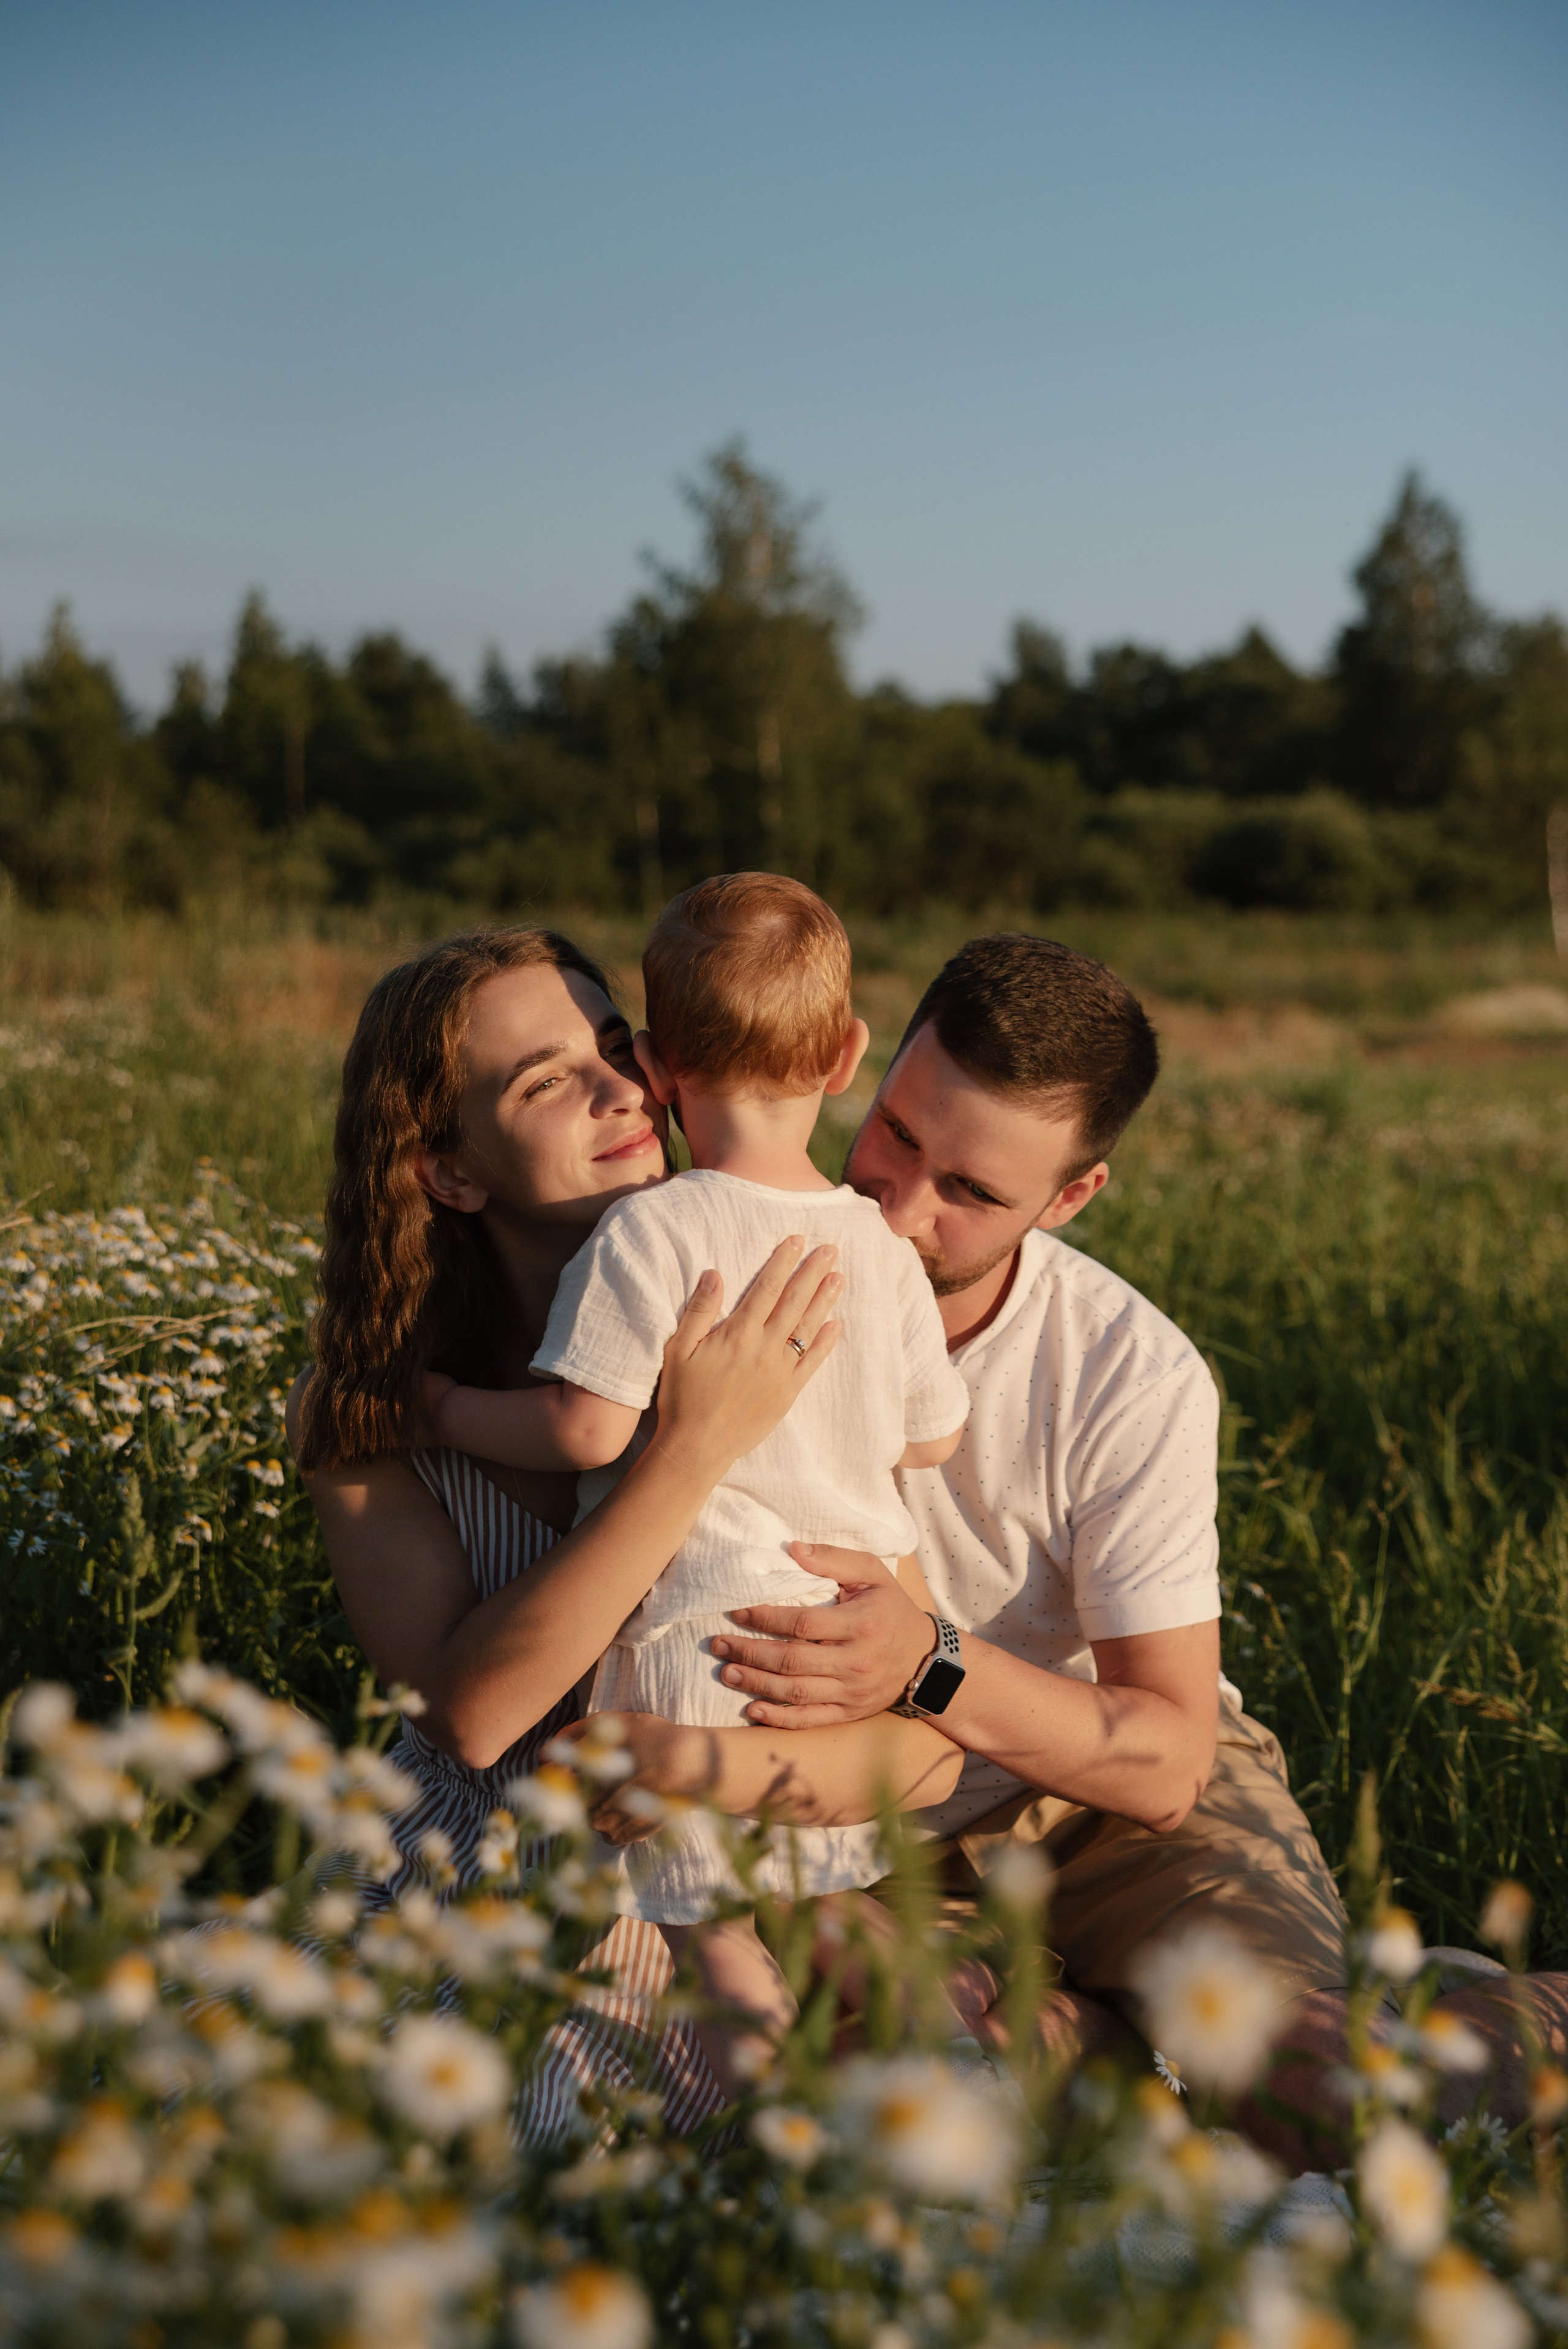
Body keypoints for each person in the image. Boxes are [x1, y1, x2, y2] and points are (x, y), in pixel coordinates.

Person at [633, 932, 1568, 2164]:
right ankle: (1114, 2046)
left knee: (1324, 2094)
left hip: (1116, 1805)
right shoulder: (720, 1271)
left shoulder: (1125, 1368)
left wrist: (926, 1660)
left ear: (1070, 1198)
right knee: (898, 2106)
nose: (902, 1207)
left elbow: (1167, 1759)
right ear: (874, 1068)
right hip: (868, 1830)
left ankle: (1464, 2020)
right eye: (896, 1134)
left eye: (972, 1192)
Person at [288, 922, 961, 2140]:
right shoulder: (375, 1409)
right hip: (478, 1899)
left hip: (712, 1911)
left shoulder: (776, 1327)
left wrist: (706, 1767)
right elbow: (475, 1716)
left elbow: (923, 1749)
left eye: (615, 1046)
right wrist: (688, 1447)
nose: (620, 1091)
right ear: (450, 1170)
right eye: (545, 1081)